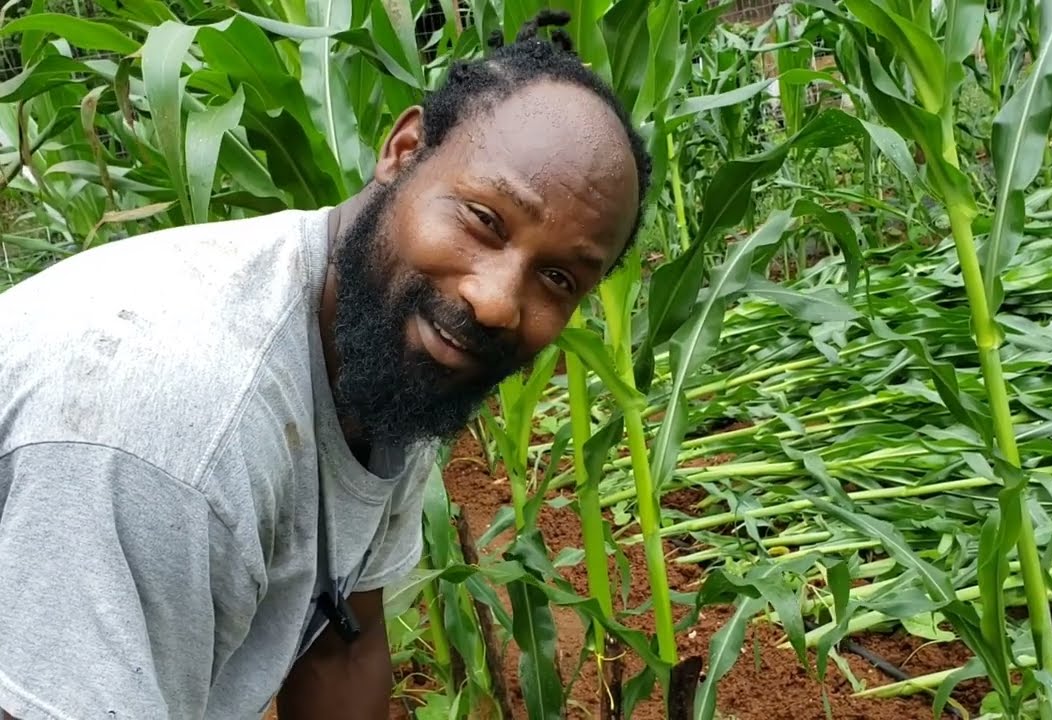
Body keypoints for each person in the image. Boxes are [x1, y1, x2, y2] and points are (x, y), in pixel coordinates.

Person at [0, 10, 651, 720]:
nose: (495, 302)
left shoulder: (389, 344)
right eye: (484, 220)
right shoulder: (184, 431)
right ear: (404, 151)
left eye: (557, 279)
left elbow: (341, 643)